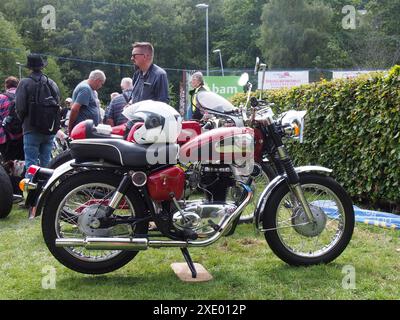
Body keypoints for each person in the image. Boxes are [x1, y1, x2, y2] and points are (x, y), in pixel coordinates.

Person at [15, 54, 61, 171]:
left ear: (29, 68)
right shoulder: (52, 83)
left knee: (31, 163)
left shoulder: (24, 83)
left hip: (31, 128)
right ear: (42, 67)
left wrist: (24, 121)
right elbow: (57, 104)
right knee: (47, 163)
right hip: (49, 129)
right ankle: (47, 187)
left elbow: (20, 108)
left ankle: (30, 188)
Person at [0, 76, 24, 161]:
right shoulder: (23, 97)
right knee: (22, 161)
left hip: (5, 137)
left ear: (6, 86)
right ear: (18, 86)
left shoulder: (1, 98)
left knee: (7, 161)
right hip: (22, 135)